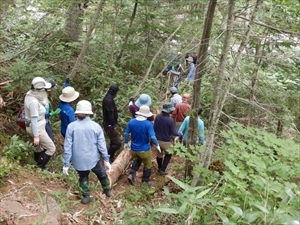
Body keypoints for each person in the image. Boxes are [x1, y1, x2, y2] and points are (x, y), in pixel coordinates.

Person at [62, 100, 112, 204]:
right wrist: (106, 160)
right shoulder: (95, 127)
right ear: (89, 113)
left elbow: (68, 146)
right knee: (101, 173)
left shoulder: (71, 127)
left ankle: (86, 196)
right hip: (92, 158)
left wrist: (66, 164)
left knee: (83, 176)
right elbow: (102, 145)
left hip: (78, 159)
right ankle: (107, 190)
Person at [124, 105, 161, 186]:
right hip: (145, 149)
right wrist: (157, 145)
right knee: (148, 165)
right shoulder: (148, 124)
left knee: (137, 159)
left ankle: (132, 174)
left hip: (134, 149)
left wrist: (126, 143)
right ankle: (145, 181)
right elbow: (152, 137)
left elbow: (126, 133)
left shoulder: (132, 121)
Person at [24, 77, 56, 170]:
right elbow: (34, 119)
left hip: (37, 125)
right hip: (37, 127)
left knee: (39, 148)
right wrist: (36, 136)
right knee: (51, 148)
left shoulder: (31, 94)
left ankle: (37, 164)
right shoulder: (33, 102)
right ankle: (40, 166)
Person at [154, 102, 182, 175]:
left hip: (157, 140)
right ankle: (163, 169)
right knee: (169, 154)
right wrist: (180, 133)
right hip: (166, 141)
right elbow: (174, 132)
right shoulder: (170, 120)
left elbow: (154, 128)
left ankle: (159, 168)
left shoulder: (158, 117)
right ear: (169, 111)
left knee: (159, 155)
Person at [102, 84, 122, 162]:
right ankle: (108, 156)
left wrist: (116, 110)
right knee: (117, 143)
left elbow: (110, 111)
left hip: (109, 124)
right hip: (109, 125)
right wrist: (113, 126)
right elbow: (110, 115)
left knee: (113, 142)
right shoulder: (108, 100)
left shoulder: (108, 98)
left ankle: (110, 157)